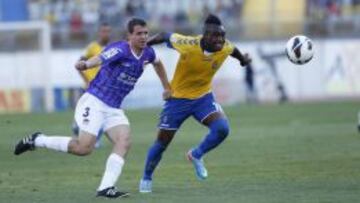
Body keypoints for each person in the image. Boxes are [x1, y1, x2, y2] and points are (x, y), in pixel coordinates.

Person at [14, 18, 171, 198]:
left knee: (124, 141)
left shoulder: (148, 53)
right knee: (83, 148)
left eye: (145, 33)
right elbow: (100, 58)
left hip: (114, 108)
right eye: (139, 34)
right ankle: (37, 140)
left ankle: (106, 187)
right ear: (129, 36)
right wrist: (86, 64)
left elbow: (158, 63)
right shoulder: (121, 49)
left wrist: (167, 86)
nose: (143, 37)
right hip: (95, 102)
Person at [139, 14, 251, 193]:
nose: (220, 40)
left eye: (222, 36)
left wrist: (243, 60)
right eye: (215, 36)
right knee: (162, 143)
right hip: (177, 100)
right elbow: (164, 35)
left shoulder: (225, 46)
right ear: (205, 35)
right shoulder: (188, 44)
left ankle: (196, 155)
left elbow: (233, 50)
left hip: (203, 99)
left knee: (222, 128)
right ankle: (146, 178)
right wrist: (145, 45)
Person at [72, 22, 112, 148]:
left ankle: (94, 139)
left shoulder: (113, 48)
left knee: (100, 114)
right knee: (90, 115)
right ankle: (78, 127)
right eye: (104, 31)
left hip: (104, 88)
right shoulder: (92, 47)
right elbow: (79, 63)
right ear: (99, 33)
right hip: (90, 88)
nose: (106, 34)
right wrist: (86, 80)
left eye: (108, 31)